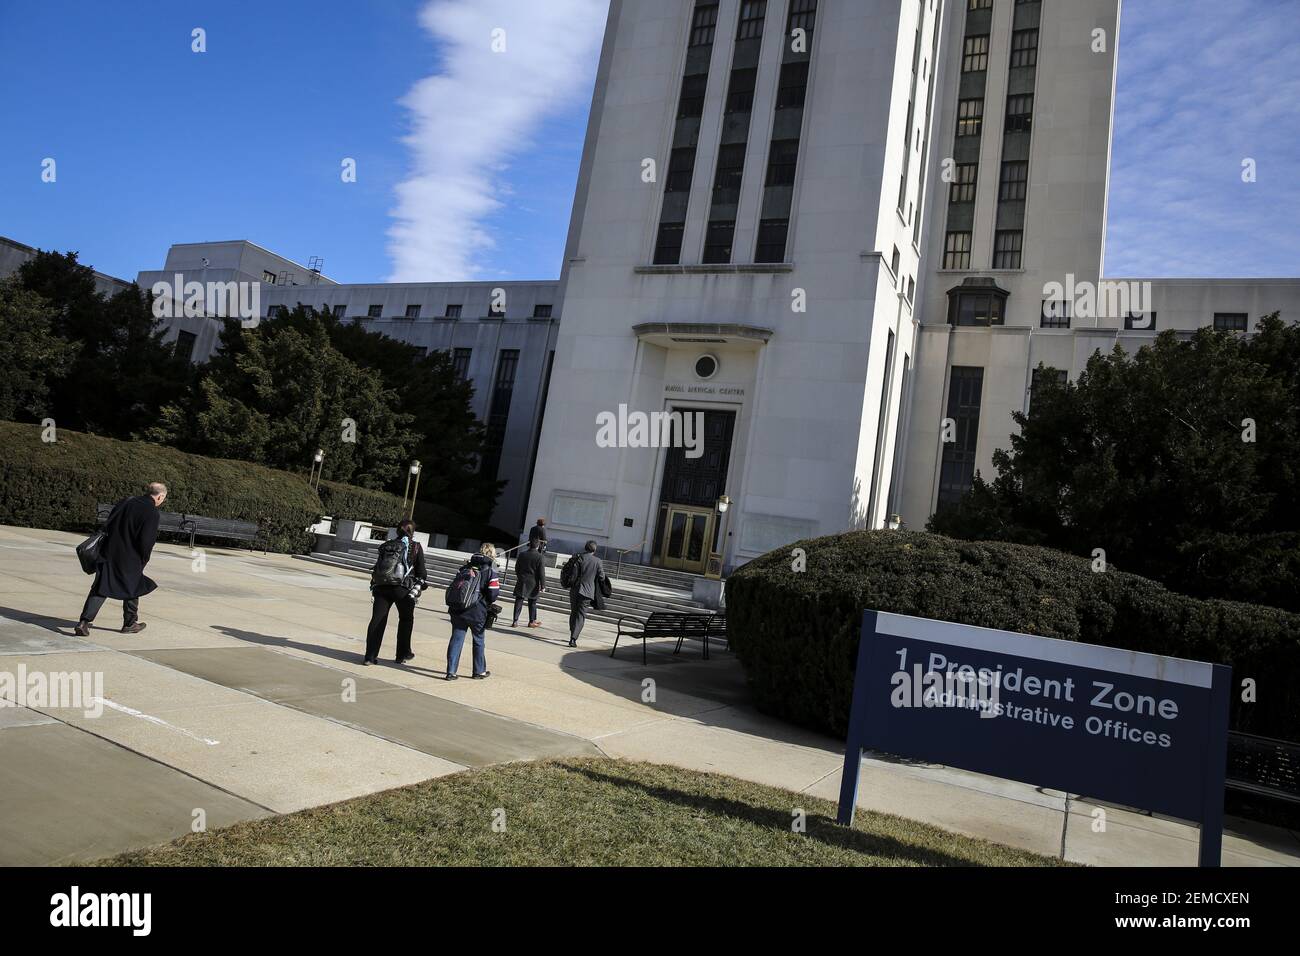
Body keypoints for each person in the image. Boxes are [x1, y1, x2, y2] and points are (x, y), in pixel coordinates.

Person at [75, 482, 167, 636]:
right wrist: (144, 558)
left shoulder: (127, 501)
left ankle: (84, 622)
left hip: (108, 552)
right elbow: (146, 541)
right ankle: (129, 623)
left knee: (100, 588)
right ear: (160, 496)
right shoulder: (151, 512)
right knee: (133, 587)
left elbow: (109, 524)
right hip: (131, 558)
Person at [363, 519, 426, 666]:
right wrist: (420, 585)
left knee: (377, 620)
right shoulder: (415, 547)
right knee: (406, 619)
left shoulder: (386, 545)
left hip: (382, 586)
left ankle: (369, 656)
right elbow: (422, 572)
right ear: (413, 532)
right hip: (402, 588)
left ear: (397, 531)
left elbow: (378, 566)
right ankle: (402, 654)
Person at [446, 543, 501, 680]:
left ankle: (451, 672)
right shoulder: (490, 571)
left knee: (456, 639)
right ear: (492, 555)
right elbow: (493, 595)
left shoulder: (466, 567)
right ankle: (479, 671)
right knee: (478, 640)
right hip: (477, 611)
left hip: (458, 608)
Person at [565, 540, 609, 648]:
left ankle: (572, 633)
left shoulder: (578, 557)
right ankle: (573, 638)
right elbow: (602, 577)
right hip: (587, 592)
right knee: (580, 615)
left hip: (575, 589)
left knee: (574, 612)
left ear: (585, 548)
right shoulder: (597, 561)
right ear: (594, 549)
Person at [511, 538, 547, 628]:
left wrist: (520, 576)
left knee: (519, 601)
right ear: (538, 546)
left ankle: (515, 621)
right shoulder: (540, 556)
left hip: (522, 580)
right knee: (532, 602)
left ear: (529, 545)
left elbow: (517, 568)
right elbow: (541, 572)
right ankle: (532, 621)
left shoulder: (522, 554)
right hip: (533, 582)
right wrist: (543, 585)